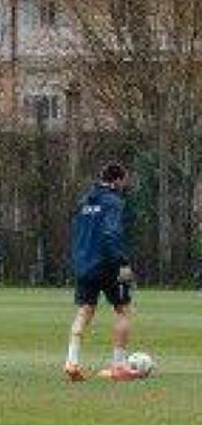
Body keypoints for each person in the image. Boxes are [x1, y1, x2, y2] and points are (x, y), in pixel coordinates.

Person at [65, 162, 138, 382]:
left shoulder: (84, 201)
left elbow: (79, 233)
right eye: (124, 181)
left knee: (84, 311)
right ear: (117, 180)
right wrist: (123, 263)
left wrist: (79, 260)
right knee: (124, 311)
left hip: (84, 264)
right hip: (109, 265)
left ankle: (71, 361)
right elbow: (110, 233)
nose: (125, 185)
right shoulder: (113, 202)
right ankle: (119, 366)